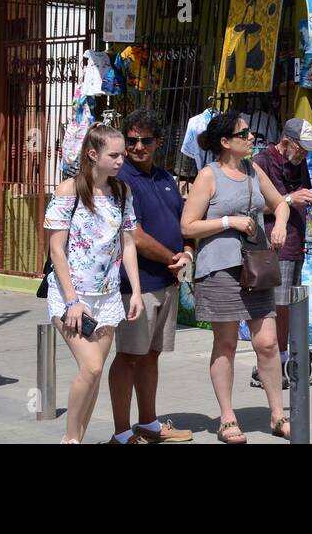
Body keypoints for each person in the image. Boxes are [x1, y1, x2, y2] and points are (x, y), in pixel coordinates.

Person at [180, 111, 293, 443]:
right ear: (225, 142)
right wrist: (228, 222)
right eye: (244, 135)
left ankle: (277, 415)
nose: (251, 139)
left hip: (255, 267)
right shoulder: (208, 176)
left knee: (268, 343)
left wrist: (281, 224)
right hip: (219, 270)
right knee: (226, 344)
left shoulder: (253, 170)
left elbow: (280, 204)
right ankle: (227, 419)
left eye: (251, 134)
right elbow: (188, 226)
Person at [44, 124, 144, 444]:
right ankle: (70, 439)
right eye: (113, 155)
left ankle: (78, 439)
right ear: (93, 154)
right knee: (91, 369)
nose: (120, 160)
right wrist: (72, 300)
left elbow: (128, 243)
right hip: (71, 297)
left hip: (107, 297)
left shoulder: (121, 192)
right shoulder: (68, 191)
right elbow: (55, 249)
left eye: (122, 154)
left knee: (96, 372)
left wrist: (137, 291)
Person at [106, 109, 196, 444]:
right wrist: (174, 257)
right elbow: (135, 236)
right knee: (129, 355)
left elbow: (184, 223)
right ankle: (121, 432)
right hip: (137, 286)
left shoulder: (166, 178)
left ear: (158, 142)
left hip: (168, 281)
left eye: (145, 140)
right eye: (131, 140)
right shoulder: (121, 179)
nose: (138, 146)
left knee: (151, 354)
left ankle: (149, 423)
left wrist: (187, 251)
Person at [251, 117, 312, 390]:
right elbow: (252, 207)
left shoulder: (298, 161)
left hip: (294, 241)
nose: (305, 153)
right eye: (302, 148)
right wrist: (289, 200)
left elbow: (299, 193)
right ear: (286, 142)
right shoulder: (262, 162)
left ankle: (279, 358)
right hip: (272, 243)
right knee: (276, 306)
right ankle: (273, 362)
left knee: (287, 304)